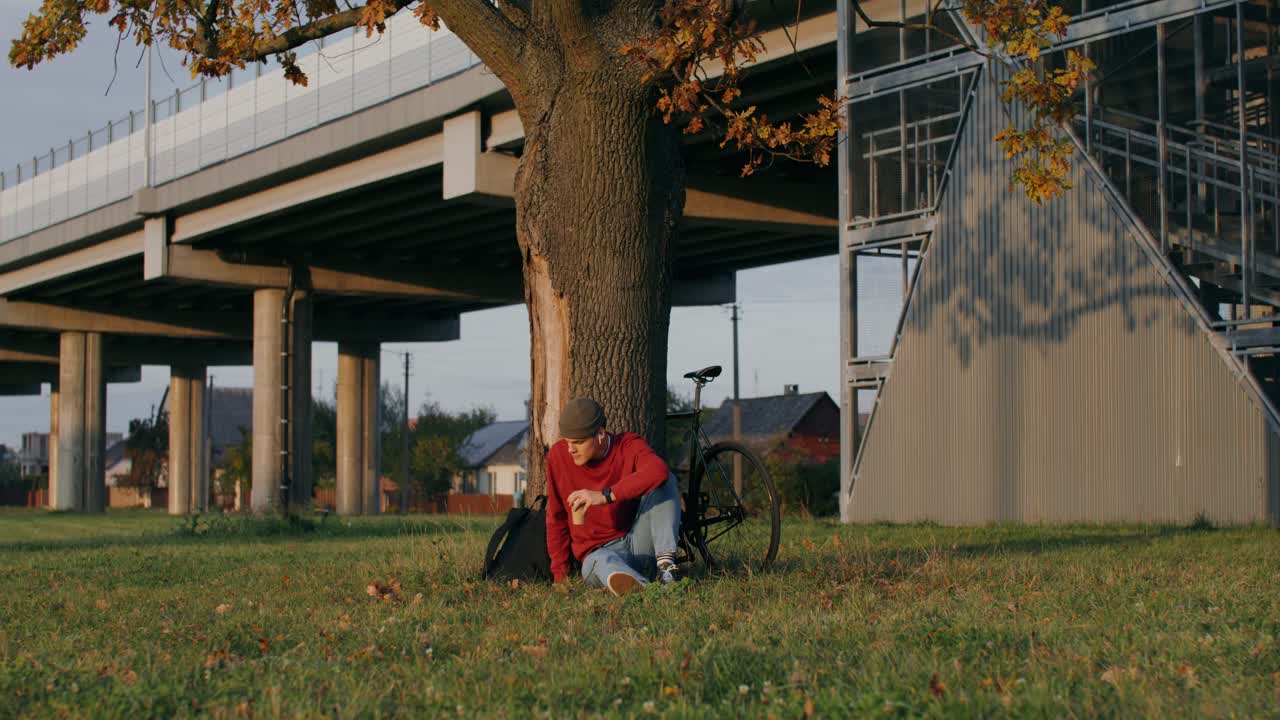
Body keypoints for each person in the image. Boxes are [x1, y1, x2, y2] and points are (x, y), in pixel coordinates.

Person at [544, 397, 682, 596]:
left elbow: (657, 471)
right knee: (599, 562)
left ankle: (666, 569)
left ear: (600, 433)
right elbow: (555, 517)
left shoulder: (627, 445)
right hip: (598, 554)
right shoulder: (558, 457)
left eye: (579, 442)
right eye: (567, 441)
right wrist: (560, 576)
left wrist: (606, 495)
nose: (570, 449)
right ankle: (643, 589)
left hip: (638, 541)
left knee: (665, 479)